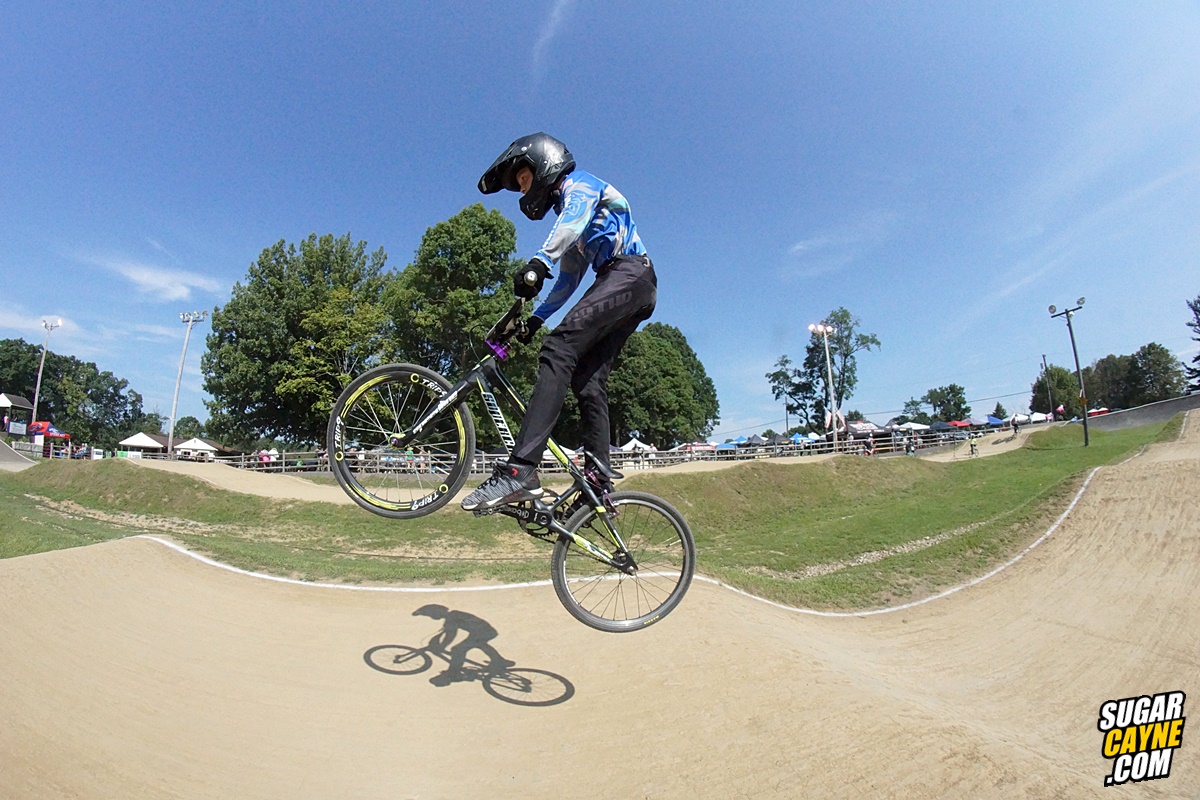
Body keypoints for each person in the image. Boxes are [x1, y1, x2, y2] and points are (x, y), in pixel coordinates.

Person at [462, 133, 657, 511]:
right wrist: (536, 320)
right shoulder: (579, 227)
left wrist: (538, 262)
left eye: (523, 179)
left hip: (629, 274)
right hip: (631, 283)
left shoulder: (580, 186)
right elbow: (568, 280)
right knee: (587, 379)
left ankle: (521, 470)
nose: (523, 189)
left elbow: (571, 220)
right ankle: (598, 484)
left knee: (558, 348)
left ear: (544, 164)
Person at [413, 604, 513, 686]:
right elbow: (448, 632)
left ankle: (454, 672)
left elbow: (450, 634)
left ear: (437, 612)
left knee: (457, 650)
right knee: (480, 644)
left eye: (431, 614)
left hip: (482, 632)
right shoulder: (453, 615)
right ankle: (499, 660)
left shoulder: (452, 617)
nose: (432, 617)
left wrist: (442, 646)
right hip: (485, 631)